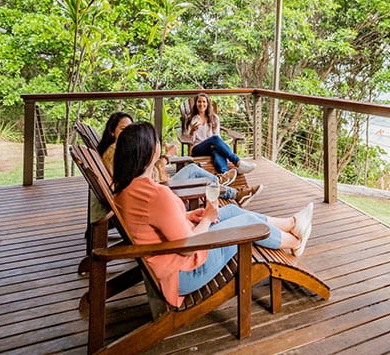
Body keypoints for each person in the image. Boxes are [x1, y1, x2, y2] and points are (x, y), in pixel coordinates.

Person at [112, 122, 313, 307]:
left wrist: (187, 216)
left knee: (233, 210)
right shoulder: (155, 195)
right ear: (151, 151)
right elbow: (188, 248)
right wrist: (207, 218)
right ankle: (295, 241)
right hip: (186, 271)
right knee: (246, 223)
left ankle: (292, 224)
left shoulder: (126, 189)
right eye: (156, 140)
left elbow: (151, 224)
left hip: (170, 257)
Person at [98, 111, 263, 206]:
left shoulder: (120, 150)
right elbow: (147, 179)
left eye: (130, 129)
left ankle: (224, 183)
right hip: (157, 191)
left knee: (210, 153)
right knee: (196, 166)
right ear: (112, 132)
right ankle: (228, 185)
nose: (127, 133)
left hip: (153, 189)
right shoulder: (115, 152)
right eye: (122, 129)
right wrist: (166, 157)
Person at [184, 93, 256, 175]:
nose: (202, 104)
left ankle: (225, 174)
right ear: (196, 103)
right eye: (199, 102)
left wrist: (215, 144)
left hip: (212, 147)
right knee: (215, 139)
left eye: (204, 102)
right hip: (198, 148)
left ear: (208, 104)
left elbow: (217, 135)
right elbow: (190, 140)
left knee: (216, 151)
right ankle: (238, 162)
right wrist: (192, 131)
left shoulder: (214, 118)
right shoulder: (192, 119)